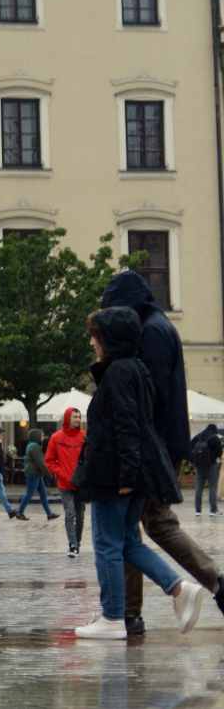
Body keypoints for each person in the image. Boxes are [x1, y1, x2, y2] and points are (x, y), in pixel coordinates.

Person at [71, 305, 206, 640]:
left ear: (109, 339)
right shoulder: (136, 369)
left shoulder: (117, 373)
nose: (92, 343)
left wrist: (127, 477)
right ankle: (179, 589)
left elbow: (127, 427)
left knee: (107, 545)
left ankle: (113, 617)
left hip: (115, 475)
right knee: (128, 542)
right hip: (133, 472)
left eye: (95, 336)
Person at [104, 267, 224, 634]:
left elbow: (147, 396)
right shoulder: (159, 325)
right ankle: (132, 611)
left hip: (152, 446)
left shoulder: (152, 331)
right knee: (142, 524)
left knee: (141, 524)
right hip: (159, 443)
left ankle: (132, 611)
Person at [46, 406, 88, 558]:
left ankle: (77, 542)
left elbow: (89, 458)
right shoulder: (56, 437)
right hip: (65, 483)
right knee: (70, 513)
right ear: (67, 418)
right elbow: (49, 461)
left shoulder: (84, 437)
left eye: (79, 417)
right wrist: (63, 474)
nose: (78, 419)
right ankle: (72, 544)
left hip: (80, 483)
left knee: (80, 515)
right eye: (75, 417)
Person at [16, 427, 58, 522]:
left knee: (43, 494)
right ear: (37, 436)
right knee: (29, 494)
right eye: (41, 435)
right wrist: (49, 474)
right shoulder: (35, 447)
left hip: (35, 473)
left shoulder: (31, 445)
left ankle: (49, 514)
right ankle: (20, 512)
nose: (43, 437)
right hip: (33, 473)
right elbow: (41, 463)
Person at [192, 424, 222, 516]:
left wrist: (195, 460)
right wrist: (214, 458)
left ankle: (198, 511)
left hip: (199, 466)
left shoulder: (198, 436)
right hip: (212, 466)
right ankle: (213, 511)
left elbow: (190, 446)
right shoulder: (214, 438)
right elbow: (219, 451)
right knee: (212, 488)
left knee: (198, 488)